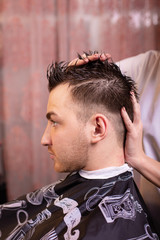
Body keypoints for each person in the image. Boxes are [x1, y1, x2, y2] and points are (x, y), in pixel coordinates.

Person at [0, 52, 159, 239]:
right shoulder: (149, 64)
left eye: (55, 122)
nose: (44, 140)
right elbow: (103, 86)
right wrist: (70, 77)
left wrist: (138, 159)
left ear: (98, 128)